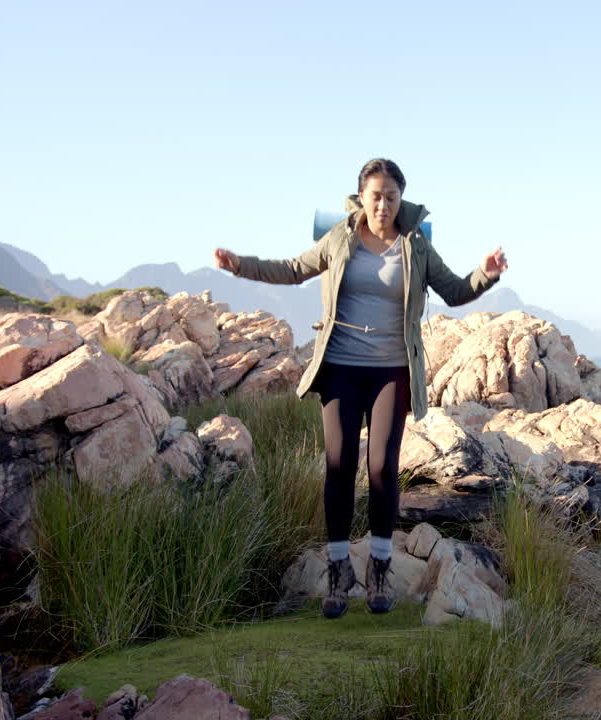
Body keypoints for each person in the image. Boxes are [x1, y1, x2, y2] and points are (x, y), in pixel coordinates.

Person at [213, 158, 508, 619]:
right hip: (340, 369)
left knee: (382, 468)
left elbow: (454, 290)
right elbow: (293, 269)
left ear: (401, 199)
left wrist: (485, 273)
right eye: (376, 196)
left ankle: (379, 569)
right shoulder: (340, 237)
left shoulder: (415, 245)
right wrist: (239, 265)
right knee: (339, 466)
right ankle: (337, 572)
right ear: (362, 197)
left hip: (392, 371)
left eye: (391, 197)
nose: (383, 205)